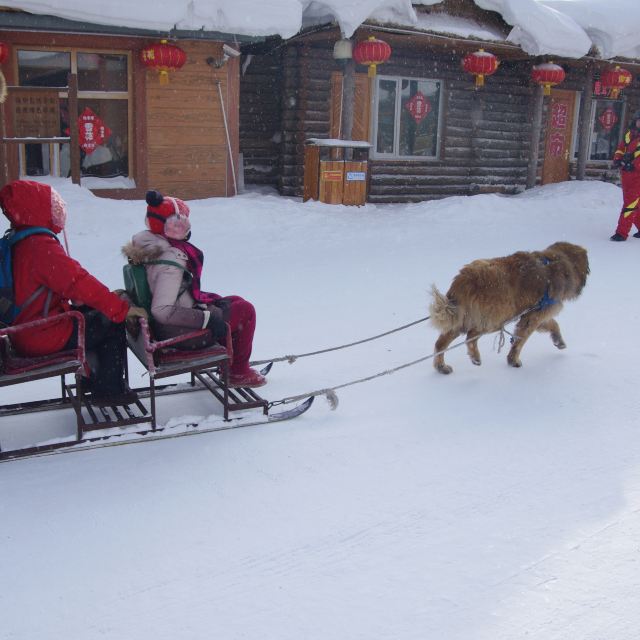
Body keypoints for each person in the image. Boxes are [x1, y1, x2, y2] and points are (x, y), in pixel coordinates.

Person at [0, 179, 147, 403]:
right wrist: (120, 309)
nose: (57, 212)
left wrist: (95, 300)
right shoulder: (39, 246)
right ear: (38, 209)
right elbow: (78, 281)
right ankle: (109, 390)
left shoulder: (19, 240)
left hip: (27, 330)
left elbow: (62, 286)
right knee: (111, 323)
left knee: (95, 317)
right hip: (42, 335)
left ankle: (93, 378)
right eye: (52, 207)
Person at [122, 190, 266, 388]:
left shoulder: (150, 243)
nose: (186, 229)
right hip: (176, 332)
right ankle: (238, 373)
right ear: (170, 226)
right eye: (181, 224)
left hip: (170, 322)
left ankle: (230, 363)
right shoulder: (169, 259)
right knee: (246, 311)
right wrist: (207, 319)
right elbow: (161, 310)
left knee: (234, 301)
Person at [610, 109, 640, 241]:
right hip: (626, 176)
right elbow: (621, 148)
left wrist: (634, 165)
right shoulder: (629, 134)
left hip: (638, 177)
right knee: (635, 204)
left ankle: (621, 233)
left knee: (630, 205)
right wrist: (617, 158)